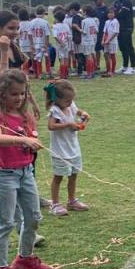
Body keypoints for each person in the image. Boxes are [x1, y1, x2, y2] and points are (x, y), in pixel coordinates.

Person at [0, 69, 51, 269]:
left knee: (33, 216)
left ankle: (25, 258)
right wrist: (22, 141)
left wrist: (32, 142)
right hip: (5, 175)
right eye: (14, 94)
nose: (19, 98)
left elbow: (30, 137)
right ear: (1, 93)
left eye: (22, 93)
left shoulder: (25, 116)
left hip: (25, 172)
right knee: (5, 222)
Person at [46, 80, 90, 216]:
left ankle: (72, 201)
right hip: (60, 151)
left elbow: (78, 111)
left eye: (71, 100)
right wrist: (68, 124)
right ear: (57, 99)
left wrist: (84, 114)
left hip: (73, 149)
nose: (70, 103)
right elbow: (51, 126)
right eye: (67, 101)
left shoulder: (70, 105)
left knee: (73, 175)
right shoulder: (55, 110)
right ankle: (55, 204)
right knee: (58, 177)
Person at [113, 0, 135, 75]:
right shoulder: (116, 2)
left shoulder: (127, 2)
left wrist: (116, 13)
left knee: (129, 47)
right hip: (119, 28)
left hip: (127, 27)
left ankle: (133, 68)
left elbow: (121, 14)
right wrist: (116, 12)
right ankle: (125, 66)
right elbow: (114, 12)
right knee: (122, 47)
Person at [30, 6, 51, 79]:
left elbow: (29, 34)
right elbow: (47, 34)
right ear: (43, 13)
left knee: (37, 58)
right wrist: (46, 44)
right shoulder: (45, 22)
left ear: (36, 13)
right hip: (43, 42)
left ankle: (38, 74)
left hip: (35, 42)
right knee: (46, 57)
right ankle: (48, 73)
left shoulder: (32, 22)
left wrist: (31, 44)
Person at [52, 9, 73, 79]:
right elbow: (69, 36)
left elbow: (55, 36)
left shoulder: (55, 26)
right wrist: (66, 41)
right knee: (66, 58)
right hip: (66, 44)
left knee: (61, 59)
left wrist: (61, 42)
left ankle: (62, 75)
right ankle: (66, 74)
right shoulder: (66, 25)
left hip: (60, 45)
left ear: (56, 18)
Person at [80, 5, 100, 79]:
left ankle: (89, 73)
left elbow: (84, 32)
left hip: (86, 41)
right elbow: (97, 30)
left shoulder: (84, 21)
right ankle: (92, 72)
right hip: (93, 40)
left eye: (82, 11)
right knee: (91, 55)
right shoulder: (94, 20)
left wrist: (79, 30)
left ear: (85, 12)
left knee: (88, 57)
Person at [92, 0, 109, 72]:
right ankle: (97, 65)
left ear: (101, 0)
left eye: (96, 0)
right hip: (96, 33)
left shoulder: (106, 10)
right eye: (94, 1)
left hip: (104, 33)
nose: (95, 2)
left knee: (106, 51)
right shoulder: (94, 9)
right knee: (97, 50)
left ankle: (108, 67)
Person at [101, 8, 120, 77]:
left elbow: (115, 33)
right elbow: (104, 32)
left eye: (112, 13)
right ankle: (108, 70)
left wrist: (108, 40)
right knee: (106, 55)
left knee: (112, 55)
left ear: (114, 14)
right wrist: (103, 40)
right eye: (109, 13)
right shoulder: (107, 22)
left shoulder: (115, 22)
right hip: (106, 41)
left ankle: (112, 71)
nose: (110, 14)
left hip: (112, 42)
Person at [17, 7, 34, 74]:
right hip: (29, 42)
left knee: (24, 57)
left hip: (22, 42)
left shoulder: (19, 24)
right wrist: (32, 44)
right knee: (32, 57)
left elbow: (17, 35)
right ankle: (33, 69)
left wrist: (18, 42)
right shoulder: (30, 23)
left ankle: (25, 70)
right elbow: (30, 34)